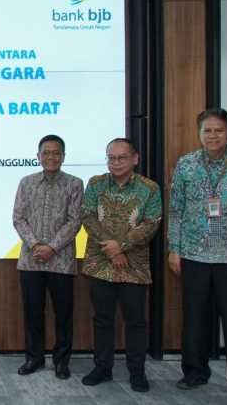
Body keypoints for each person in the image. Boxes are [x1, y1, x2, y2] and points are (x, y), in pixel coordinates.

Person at [168, 108, 227, 399]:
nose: (213, 136)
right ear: (199, 133)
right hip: (195, 253)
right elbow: (176, 210)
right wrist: (174, 249)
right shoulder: (186, 165)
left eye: (218, 130)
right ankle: (194, 372)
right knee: (195, 319)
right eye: (207, 131)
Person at [80, 138, 161, 393]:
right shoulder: (95, 184)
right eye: (111, 158)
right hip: (100, 263)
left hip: (134, 266)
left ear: (135, 159)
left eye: (122, 157)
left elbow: (151, 223)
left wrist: (122, 246)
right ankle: (102, 368)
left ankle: (137, 372)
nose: (116, 163)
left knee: (135, 321)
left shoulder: (149, 188)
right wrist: (112, 249)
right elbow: (88, 216)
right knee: (102, 319)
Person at [12, 134, 82, 380]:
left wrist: (51, 247)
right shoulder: (26, 182)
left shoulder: (74, 184)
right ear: (38, 156)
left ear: (63, 156)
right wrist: (35, 245)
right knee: (33, 313)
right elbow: (18, 218)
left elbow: (75, 221)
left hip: (61, 261)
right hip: (31, 260)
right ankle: (34, 358)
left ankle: (62, 361)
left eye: (56, 153)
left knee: (63, 314)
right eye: (46, 152)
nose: (51, 157)